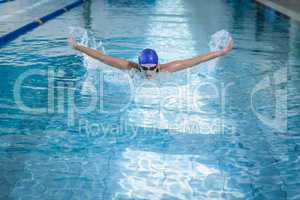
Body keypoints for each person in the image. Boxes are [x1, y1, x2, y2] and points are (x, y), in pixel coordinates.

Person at [68, 37, 233, 79]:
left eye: (151, 68)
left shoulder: (168, 68)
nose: (148, 72)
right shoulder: (129, 67)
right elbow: (102, 58)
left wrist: (221, 52)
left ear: (157, 65)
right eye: (144, 68)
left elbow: (197, 60)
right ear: (139, 66)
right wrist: (78, 47)